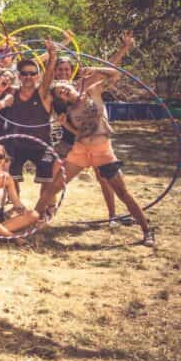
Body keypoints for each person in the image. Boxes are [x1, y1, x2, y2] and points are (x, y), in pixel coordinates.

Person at [51, 75, 155, 245]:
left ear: (71, 85)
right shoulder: (70, 112)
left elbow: (114, 74)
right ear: (61, 99)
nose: (63, 91)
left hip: (102, 151)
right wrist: (66, 125)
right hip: (82, 151)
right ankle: (34, 220)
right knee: (55, 186)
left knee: (122, 192)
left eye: (63, 87)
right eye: (59, 93)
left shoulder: (92, 92)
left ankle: (147, 231)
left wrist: (96, 69)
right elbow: (80, 134)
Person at [4, 44, 58, 214]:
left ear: (38, 76)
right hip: (17, 143)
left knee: (47, 179)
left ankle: (45, 209)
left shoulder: (42, 93)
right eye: (24, 73)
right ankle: (17, 206)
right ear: (19, 76)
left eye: (32, 73)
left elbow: (49, 77)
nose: (28, 77)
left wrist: (52, 56)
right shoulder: (11, 93)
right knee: (11, 177)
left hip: (41, 144)